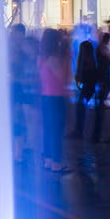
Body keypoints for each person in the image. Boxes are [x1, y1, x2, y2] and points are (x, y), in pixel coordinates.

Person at [39, 29, 70, 173]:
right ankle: (56, 162)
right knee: (57, 131)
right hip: (56, 97)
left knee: (48, 129)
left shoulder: (42, 58)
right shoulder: (54, 59)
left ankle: (48, 160)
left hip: (46, 96)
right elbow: (63, 78)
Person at [71, 39, 98, 140]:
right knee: (81, 107)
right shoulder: (92, 61)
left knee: (80, 107)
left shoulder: (85, 62)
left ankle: (79, 131)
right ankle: (80, 131)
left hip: (87, 87)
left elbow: (83, 76)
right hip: (89, 87)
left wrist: (78, 80)